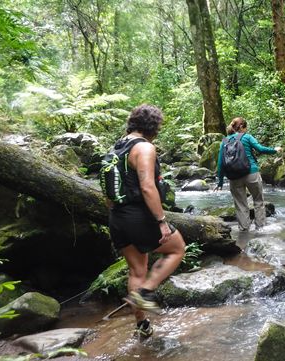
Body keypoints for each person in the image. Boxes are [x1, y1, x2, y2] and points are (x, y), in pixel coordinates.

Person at [108, 104, 185, 337]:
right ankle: (147, 291)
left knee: (137, 271)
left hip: (117, 217)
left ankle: (142, 325)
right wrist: (161, 221)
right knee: (177, 248)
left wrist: (117, 217)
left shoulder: (115, 148)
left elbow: (109, 189)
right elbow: (147, 186)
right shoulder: (144, 148)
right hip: (138, 216)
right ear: (153, 126)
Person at [216, 117, 281, 231]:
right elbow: (260, 149)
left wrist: (220, 181)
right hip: (251, 173)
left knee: (241, 205)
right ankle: (260, 229)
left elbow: (220, 164)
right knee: (258, 201)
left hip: (234, 177)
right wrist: (274, 150)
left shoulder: (224, 141)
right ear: (242, 127)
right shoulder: (246, 137)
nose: (246, 130)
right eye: (245, 128)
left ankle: (244, 232)